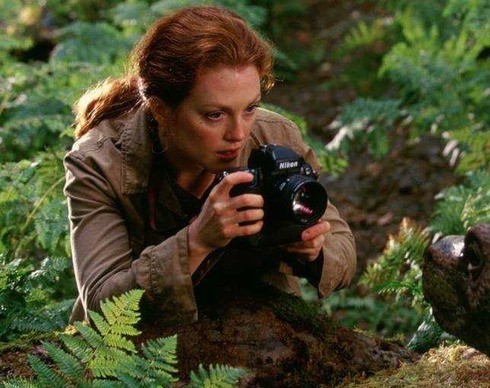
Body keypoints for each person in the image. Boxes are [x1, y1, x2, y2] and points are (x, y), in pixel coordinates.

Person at [64, 5, 356, 326]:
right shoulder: (100, 162)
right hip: (138, 354)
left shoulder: (274, 136)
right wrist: (196, 242)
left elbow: (341, 245)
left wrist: (312, 251)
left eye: (250, 108)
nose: (239, 134)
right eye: (214, 115)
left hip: (261, 332)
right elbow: (102, 305)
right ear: (161, 110)